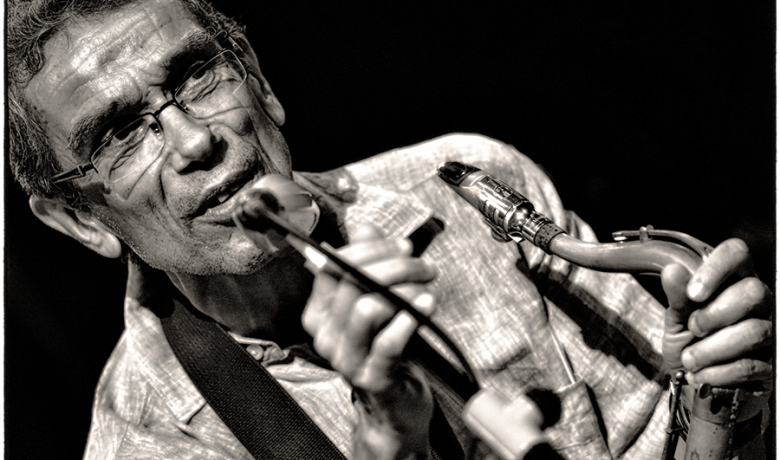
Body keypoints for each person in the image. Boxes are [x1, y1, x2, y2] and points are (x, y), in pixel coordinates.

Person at [7, 0, 772, 459]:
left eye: (194, 76)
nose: (194, 141)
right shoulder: (149, 443)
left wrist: (729, 409)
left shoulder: (469, 183)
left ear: (260, 82)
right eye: (120, 134)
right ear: (80, 218)